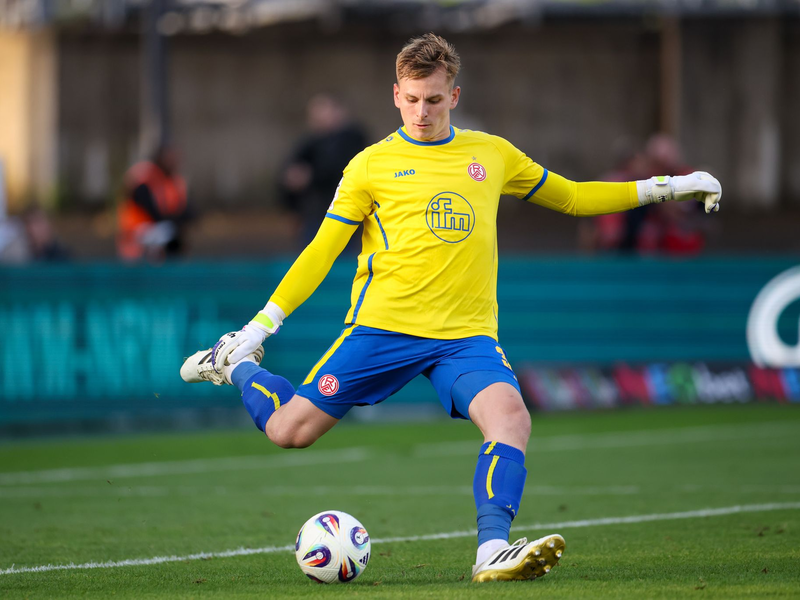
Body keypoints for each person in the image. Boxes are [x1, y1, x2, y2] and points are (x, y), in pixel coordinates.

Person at [180, 34, 721, 582]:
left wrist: (668, 186)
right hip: (382, 330)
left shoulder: (491, 153)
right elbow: (322, 251)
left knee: (511, 418)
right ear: (395, 94)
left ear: (454, 95)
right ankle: (237, 366)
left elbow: (575, 196)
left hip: (465, 337)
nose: (422, 112)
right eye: (412, 99)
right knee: (287, 432)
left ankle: (492, 551)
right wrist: (260, 326)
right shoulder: (369, 167)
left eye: (434, 100)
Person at [280, 94, 368, 247]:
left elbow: (341, 169)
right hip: (313, 215)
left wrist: (309, 177)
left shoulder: (352, 138)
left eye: (323, 110)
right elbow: (290, 171)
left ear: (339, 111)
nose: (318, 117)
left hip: (345, 214)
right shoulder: (311, 141)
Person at [117, 145, 192, 262]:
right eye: (169, 158)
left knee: (173, 234)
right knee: (168, 233)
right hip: (137, 230)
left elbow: (186, 210)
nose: (173, 162)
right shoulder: (146, 178)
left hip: (155, 228)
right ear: (160, 159)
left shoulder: (170, 181)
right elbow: (152, 210)